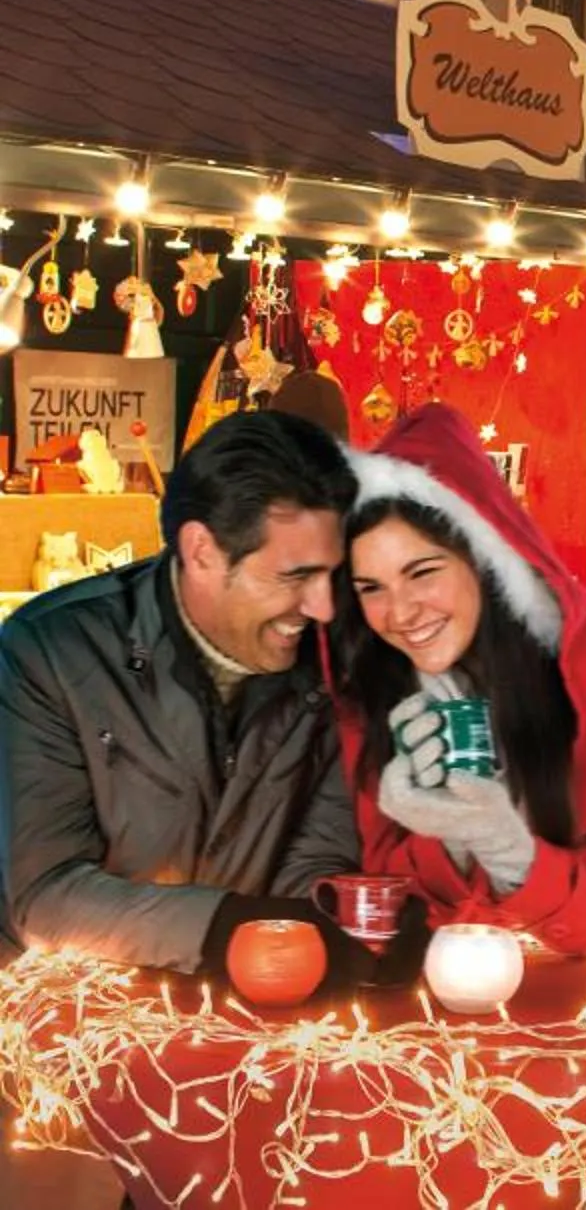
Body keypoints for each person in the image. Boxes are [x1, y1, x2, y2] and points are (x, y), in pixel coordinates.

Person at [0, 411, 390, 981]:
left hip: (248, 1010)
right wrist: (224, 929)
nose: (323, 606)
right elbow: (44, 898)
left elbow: (315, 857)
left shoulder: (333, 661)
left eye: (331, 575)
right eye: (293, 577)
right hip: (65, 1011)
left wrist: (342, 920)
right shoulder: (49, 652)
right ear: (202, 551)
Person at [334, 405, 586, 956]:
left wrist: (505, 846)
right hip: (437, 987)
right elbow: (389, 900)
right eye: (371, 587)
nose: (400, 613)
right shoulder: (369, 686)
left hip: (579, 990)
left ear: (485, 560)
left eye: (423, 572)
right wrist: (449, 839)